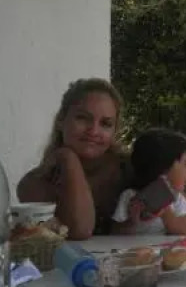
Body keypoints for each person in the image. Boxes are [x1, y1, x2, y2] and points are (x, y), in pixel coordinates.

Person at [17, 78, 130, 240]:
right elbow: (79, 230)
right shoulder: (35, 183)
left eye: (105, 124)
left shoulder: (129, 169)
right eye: (83, 118)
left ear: (114, 131)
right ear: (61, 120)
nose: (93, 131)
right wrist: (68, 159)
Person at [111, 128, 186, 236]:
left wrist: (165, 211)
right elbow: (115, 234)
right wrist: (132, 221)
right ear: (163, 168)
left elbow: (184, 231)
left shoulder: (177, 199)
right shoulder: (129, 196)